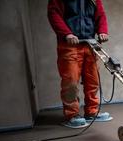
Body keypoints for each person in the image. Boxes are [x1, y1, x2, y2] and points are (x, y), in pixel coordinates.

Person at [47, 0, 111, 128]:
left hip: (90, 44)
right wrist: (67, 34)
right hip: (70, 45)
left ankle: (91, 112)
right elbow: (53, 13)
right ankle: (71, 115)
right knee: (70, 82)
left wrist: (102, 31)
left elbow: (100, 15)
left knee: (93, 81)